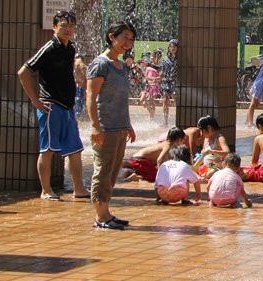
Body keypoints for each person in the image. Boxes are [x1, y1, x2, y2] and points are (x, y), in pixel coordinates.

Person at [16, 10, 89, 200]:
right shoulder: (49, 48)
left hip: (67, 107)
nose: (68, 29)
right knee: (47, 150)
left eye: (71, 26)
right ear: (54, 27)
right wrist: (35, 100)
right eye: (63, 26)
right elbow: (23, 72)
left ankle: (79, 188)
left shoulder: (70, 48)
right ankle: (46, 190)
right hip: (51, 106)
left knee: (75, 149)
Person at [86, 20, 138, 229]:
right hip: (105, 128)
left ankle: (106, 212)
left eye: (131, 39)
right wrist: (95, 126)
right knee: (103, 170)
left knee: (113, 170)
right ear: (111, 36)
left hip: (119, 127)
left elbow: (121, 99)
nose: (128, 42)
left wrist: (128, 124)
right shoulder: (101, 64)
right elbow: (91, 96)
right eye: (124, 37)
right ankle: (100, 216)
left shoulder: (121, 65)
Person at [122, 126, 186, 183]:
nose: (183, 142)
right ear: (179, 139)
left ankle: (134, 173)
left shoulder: (165, 143)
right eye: (183, 140)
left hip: (136, 160)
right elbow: (160, 160)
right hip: (139, 161)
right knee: (156, 177)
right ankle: (137, 176)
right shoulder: (169, 145)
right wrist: (161, 174)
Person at [159, 39, 178, 126]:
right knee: (165, 100)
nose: (172, 48)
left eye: (174, 46)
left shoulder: (180, 59)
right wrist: (149, 65)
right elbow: (160, 69)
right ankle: (165, 121)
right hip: (166, 82)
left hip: (176, 83)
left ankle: (179, 119)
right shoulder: (166, 59)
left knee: (176, 98)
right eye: (170, 46)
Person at [141, 49, 163, 120]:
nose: (152, 58)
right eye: (152, 56)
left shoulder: (159, 66)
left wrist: (155, 79)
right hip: (147, 86)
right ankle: (151, 113)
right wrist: (147, 79)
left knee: (150, 101)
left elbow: (161, 77)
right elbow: (145, 75)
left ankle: (151, 117)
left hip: (154, 87)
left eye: (154, 56)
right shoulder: (149, 65)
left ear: (158, 57)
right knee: (142, 101)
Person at [73, 53, 88, 118]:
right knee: (78, 107)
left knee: (74, 106)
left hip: (73, 87)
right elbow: (86, 79)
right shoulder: (84, 66)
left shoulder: (73, 64)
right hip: (80, 88)